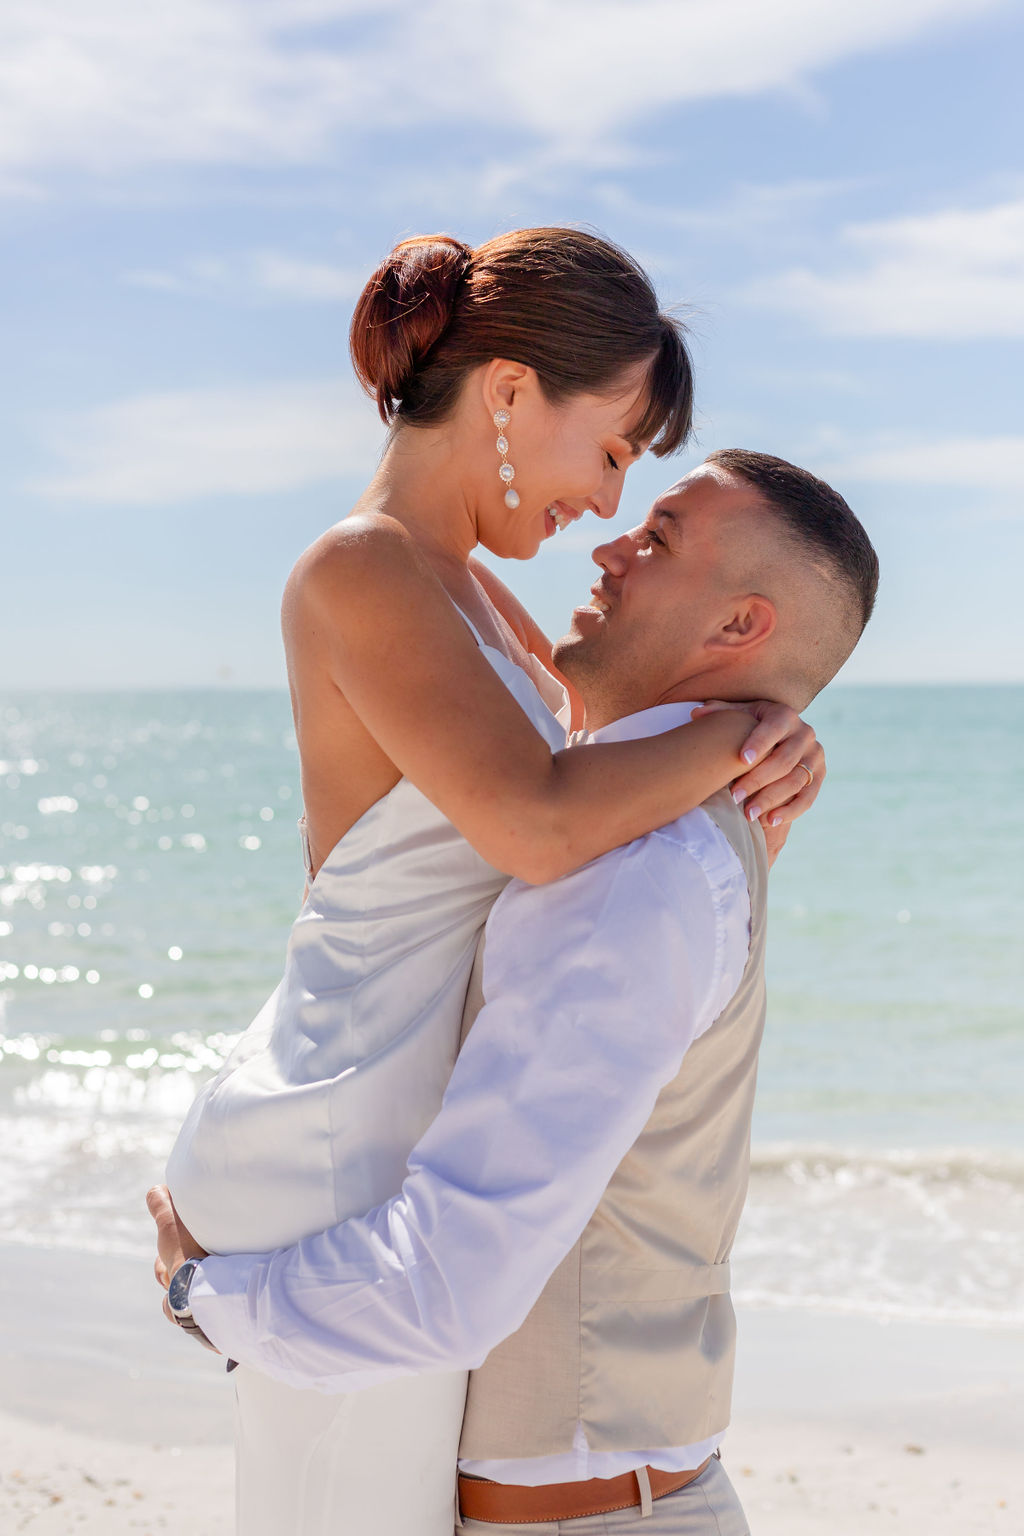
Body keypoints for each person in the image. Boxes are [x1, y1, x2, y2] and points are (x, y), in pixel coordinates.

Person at [158, 229, 824, 1536]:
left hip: (384, 1114)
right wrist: (745, 730)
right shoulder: (362, 569)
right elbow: (537, 822)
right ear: (512, 395)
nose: (608, 503)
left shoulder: (474, 598)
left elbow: (609, 810)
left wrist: (764, 749)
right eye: (617, 450)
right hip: (338, 1125)